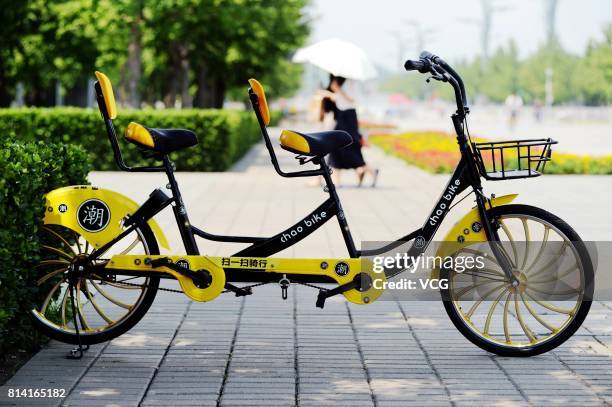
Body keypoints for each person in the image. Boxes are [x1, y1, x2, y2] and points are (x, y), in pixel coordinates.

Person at [319, 75, 379, 187]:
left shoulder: (351, 81)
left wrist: (337, 90)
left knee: (349, 147)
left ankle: (370, 170)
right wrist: (333, 93)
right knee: (336, 146)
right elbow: (340, 101)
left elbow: (351, 100)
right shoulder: (341, 81)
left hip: (349, 117)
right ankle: (337, 181)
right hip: (342, 116)